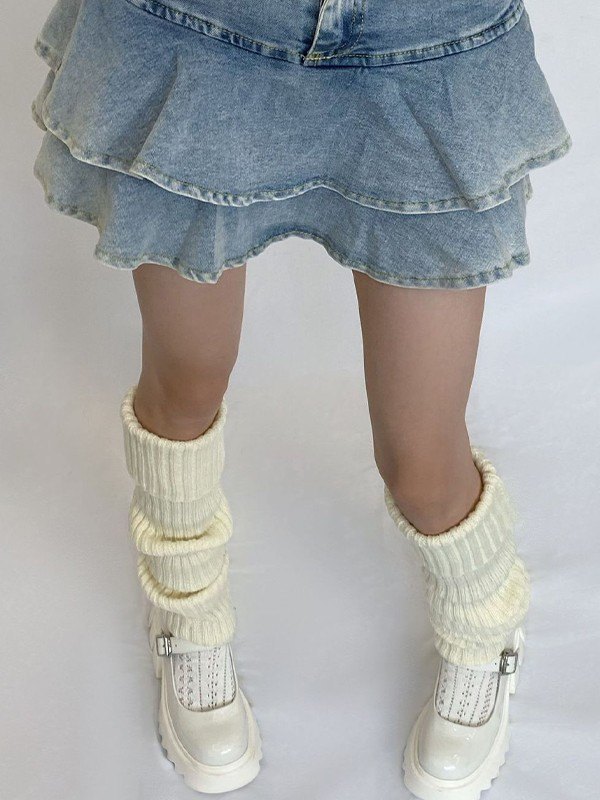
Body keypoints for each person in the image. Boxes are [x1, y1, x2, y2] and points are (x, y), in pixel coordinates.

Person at [31, 0, 571, 797]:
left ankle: (486, 616)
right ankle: (185, 601)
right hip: (197, 27)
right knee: (185, 381)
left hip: (425, 38)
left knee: (421, 460)